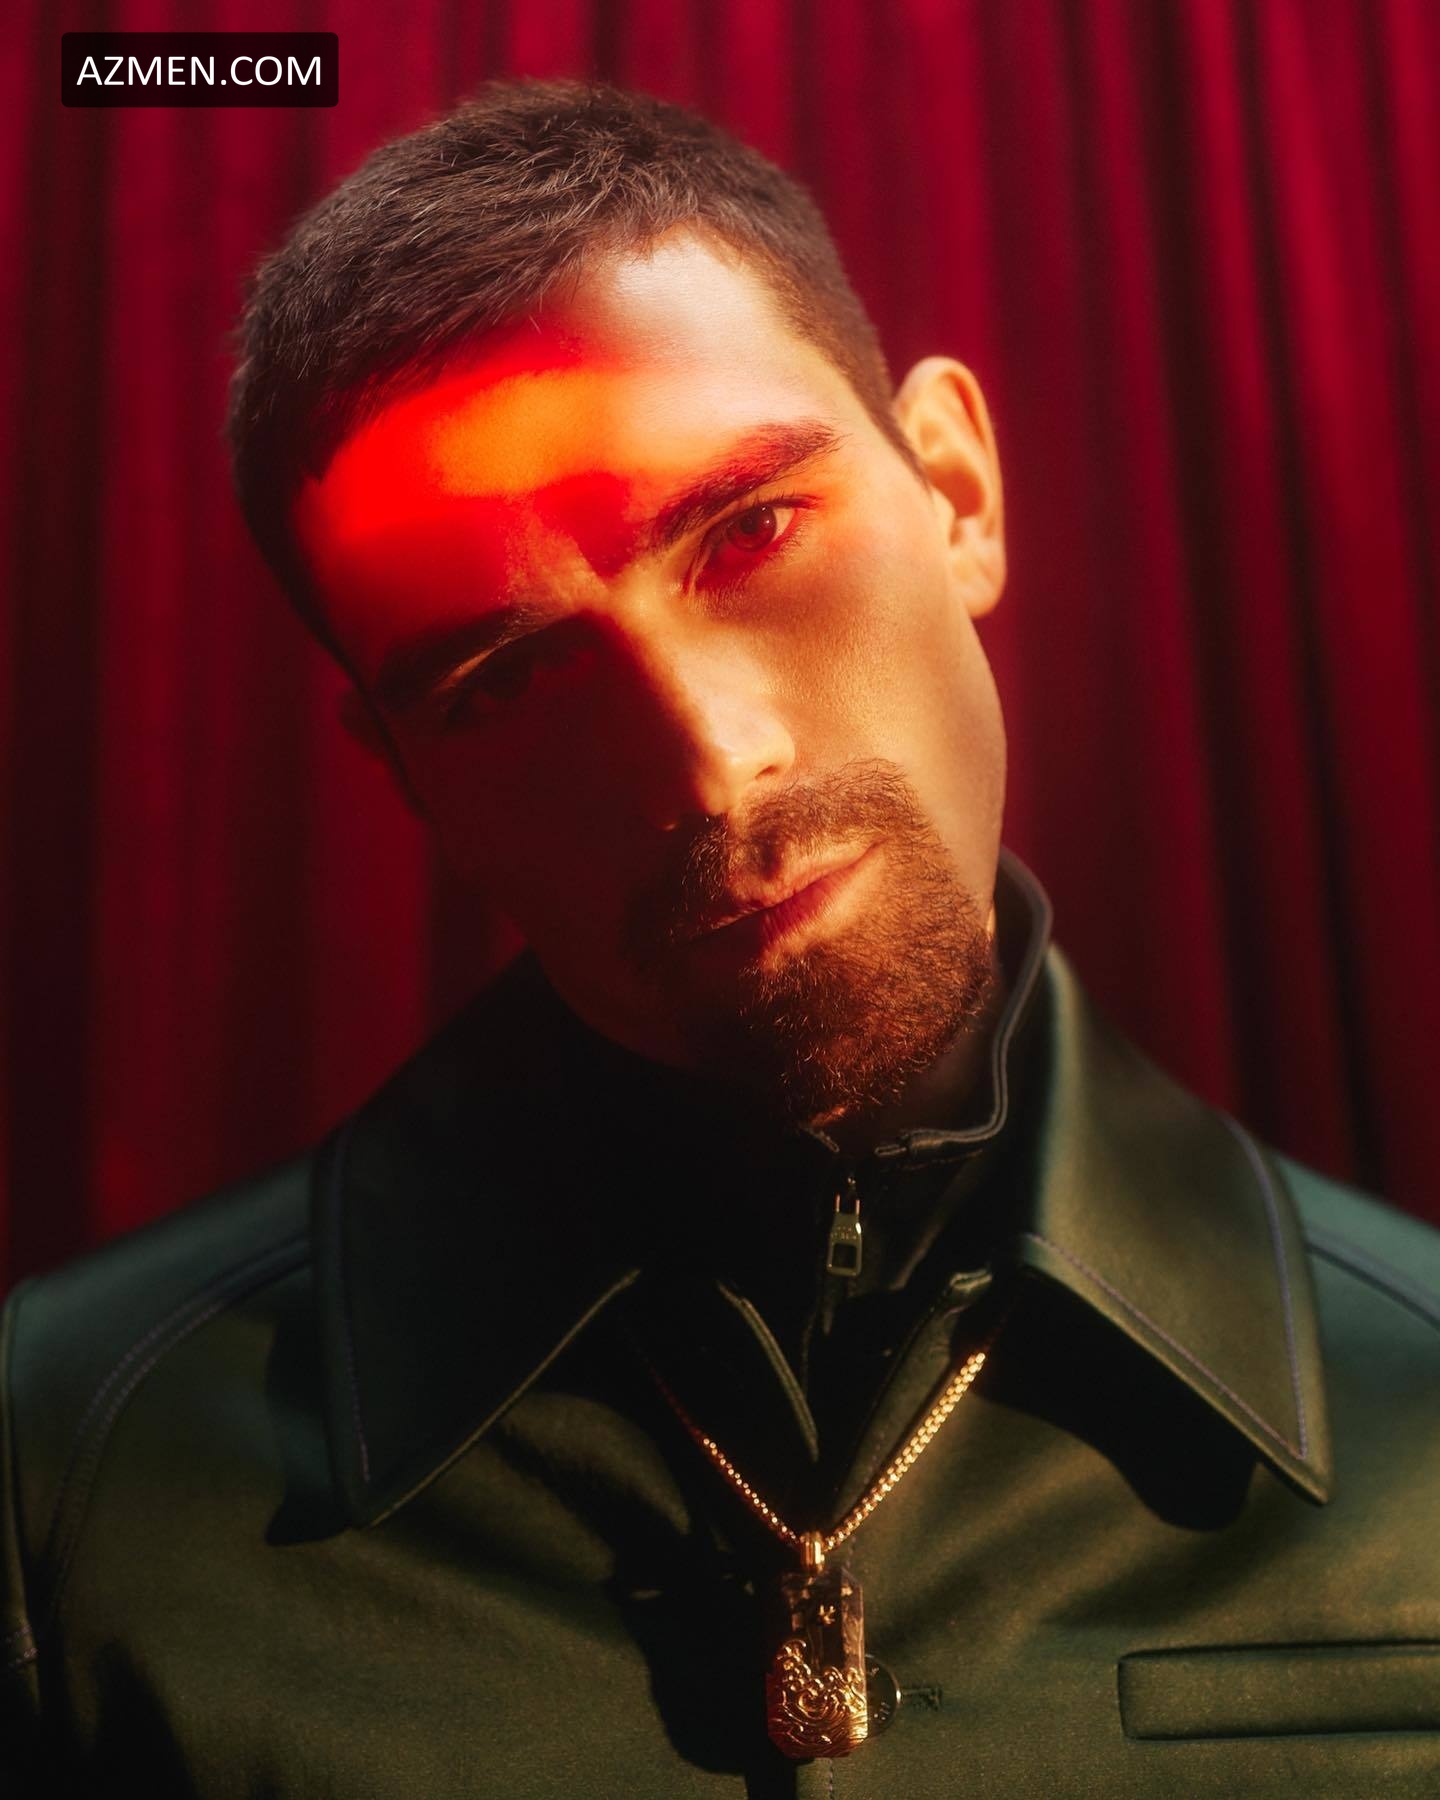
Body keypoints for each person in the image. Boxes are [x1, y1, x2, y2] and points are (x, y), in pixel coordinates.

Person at [3, 78, 1438, 1798]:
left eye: (750, 531)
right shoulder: (65, 1479)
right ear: (406, 775)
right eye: (508, 679)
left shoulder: (1423, 1419)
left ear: (957, 490)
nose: (706, 761)